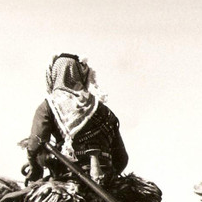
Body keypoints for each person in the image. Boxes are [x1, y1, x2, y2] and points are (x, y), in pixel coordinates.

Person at [23, 53, 128, 186]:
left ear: (53, 76)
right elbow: (122, 159)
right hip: (107, 179)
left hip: (69, 177)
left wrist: (35, 170)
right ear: (81, 75)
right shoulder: (103, 110)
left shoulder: (49, 105)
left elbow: (35, 144)